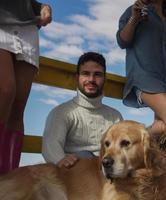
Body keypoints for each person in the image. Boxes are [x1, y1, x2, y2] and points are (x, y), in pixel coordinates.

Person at [116, 0, 166, 151]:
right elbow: (122, 41)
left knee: (161, 144)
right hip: (145, 77)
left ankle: (155, 170)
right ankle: (130, 145)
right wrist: (134, 19)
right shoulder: (134, 11)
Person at [42, 52, 123, 168]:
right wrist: (61, 160)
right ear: (77, 78)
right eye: (85, 74)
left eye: (97, 74)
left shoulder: (115, 116)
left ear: (105, 79)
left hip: (107, 174)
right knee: (84, 155)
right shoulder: (62, 112)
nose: (91, 79)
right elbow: (50, 146)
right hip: (74, 176)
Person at [0, 0, 52, 174]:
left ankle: (8, 177)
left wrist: (43, 8)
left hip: (27, 28)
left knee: (18, 107)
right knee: (5, 91)